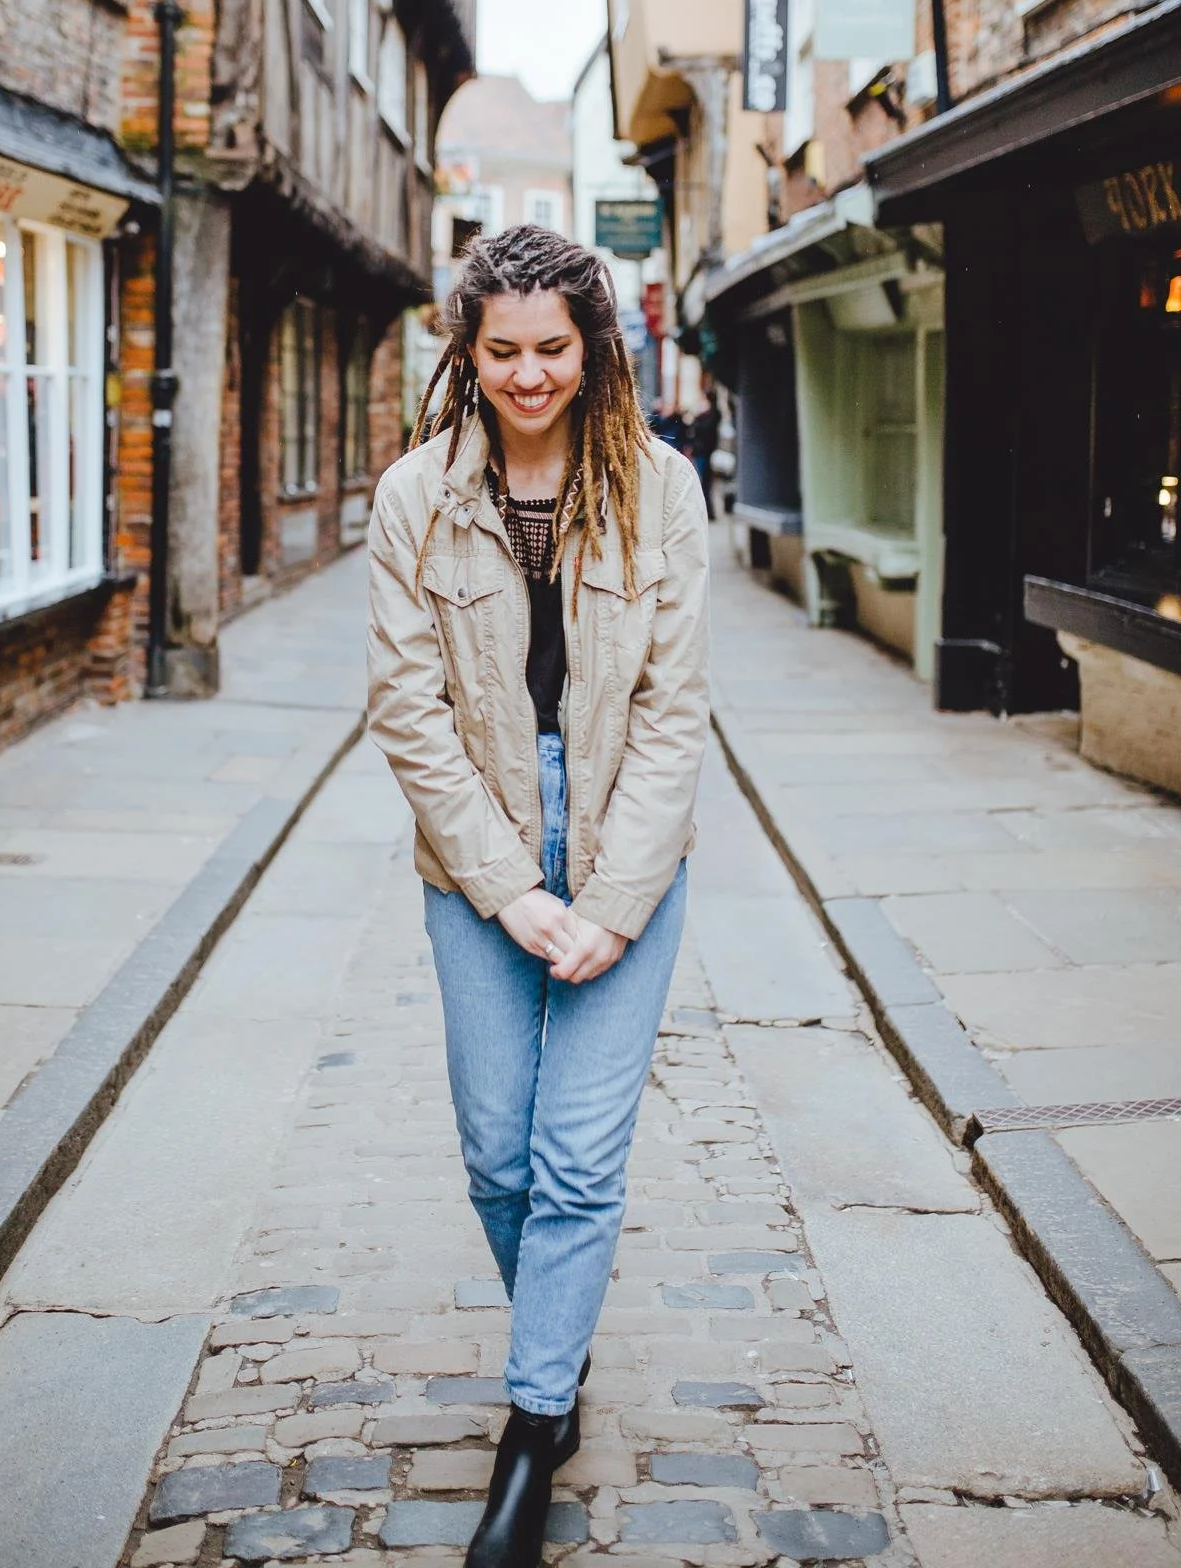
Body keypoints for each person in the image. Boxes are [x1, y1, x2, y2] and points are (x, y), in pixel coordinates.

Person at [367, 225, 710, 1568]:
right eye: (500, 350)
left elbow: (675, 714)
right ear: (469, 348)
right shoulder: (415, 496)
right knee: (497, 1154)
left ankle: (532, 1423)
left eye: (550, 349)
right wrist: (512, 889)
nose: (525, 375)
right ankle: (554, 1346)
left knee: (576, 1157)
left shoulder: (661, 492)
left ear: (593, 348)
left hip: (631, 831)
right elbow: (408, 709)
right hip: (477, 847)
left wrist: (614, 898)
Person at [685, 380, 721, 520]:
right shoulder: (708, 415)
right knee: (703, 481)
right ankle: (707, 510)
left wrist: (696, 416)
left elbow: (702, 431)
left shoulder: (710, 416)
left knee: (703, 481)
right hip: (701, 451)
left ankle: (707, 510)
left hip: (704, 452)